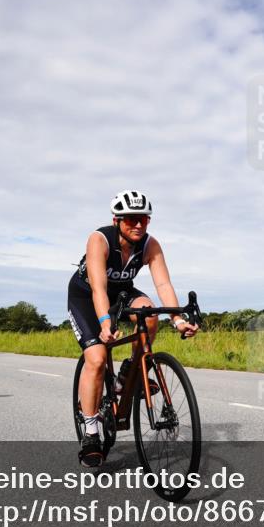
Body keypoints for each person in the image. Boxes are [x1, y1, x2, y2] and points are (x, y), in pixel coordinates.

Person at [67, 190, 198, 468]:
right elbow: (99, 289)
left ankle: (129, 370)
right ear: (117, 220)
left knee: (149, 314)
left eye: (144, 219)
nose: (138, 225)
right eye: (131, 220)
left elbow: (163, 285)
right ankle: (91, 432)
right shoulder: (99, 240)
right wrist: (104, 323)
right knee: (98, 358)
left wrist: (177, 320)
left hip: (122, 294)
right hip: (86, 296)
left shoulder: (150, 245)